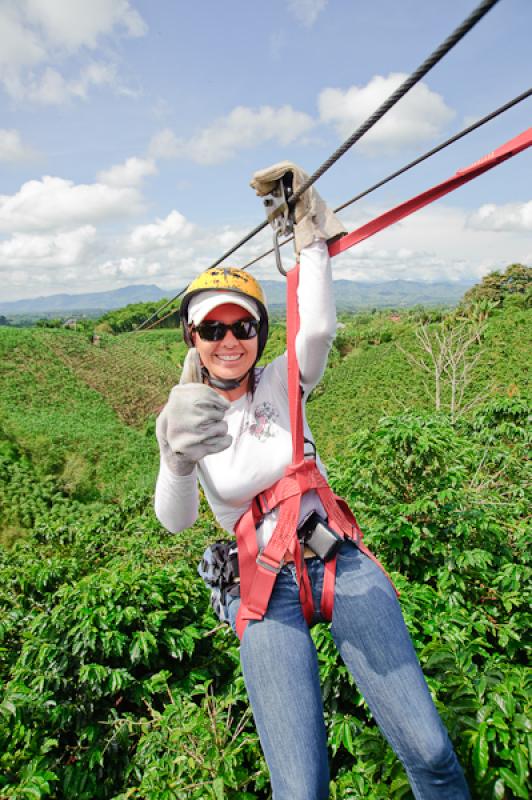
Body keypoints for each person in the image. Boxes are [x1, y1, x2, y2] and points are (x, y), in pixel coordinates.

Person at [154, 163, 470, 800]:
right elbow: (178, 520)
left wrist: (310, 238)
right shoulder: (185, 415)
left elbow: (318, 327)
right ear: (193, 335)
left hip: (335, 557)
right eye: (212, 329)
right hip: (264, 587)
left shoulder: (279, 383)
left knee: (432, 751)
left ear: (260, 333)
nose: (229, 340)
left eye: (242, 326)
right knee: (300, 789)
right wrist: (174, 455)